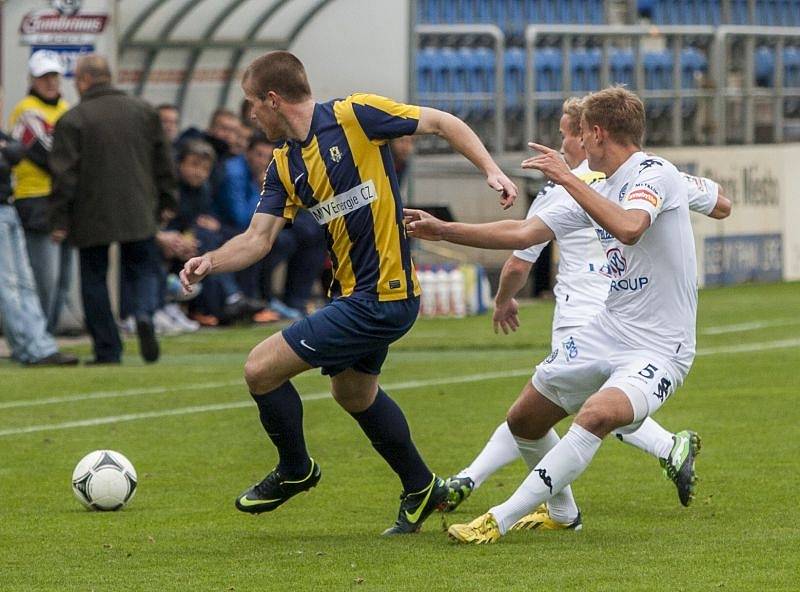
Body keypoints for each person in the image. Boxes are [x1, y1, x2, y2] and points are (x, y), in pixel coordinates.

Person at [180, 50, 518, 535]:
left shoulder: (354, 115)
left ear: (273, 100)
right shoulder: (282, 164)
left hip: (382, 295)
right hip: (355, 297)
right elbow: (258, 239)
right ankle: (422, 486)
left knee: (260, 369)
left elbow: (442, 122)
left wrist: (491, 170)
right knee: (354, 391)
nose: (250, 114)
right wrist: (210, 260)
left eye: (253, 103)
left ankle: (296, 468)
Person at [405, 87, 700, 543]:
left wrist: (568, 179)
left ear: (597, 133)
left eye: (581, 132)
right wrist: (445, 229)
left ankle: (497, 519)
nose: (576, 144)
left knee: (597, 414)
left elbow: (630, 227)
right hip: (608, 329)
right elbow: (523, 232)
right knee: (524, 420)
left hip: (662, 347)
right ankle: (563, 513)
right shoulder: (595, 185)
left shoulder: (653, 172)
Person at [49, 54, 177, 365]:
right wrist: (167, 200)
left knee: (94, 278)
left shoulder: (73, 119)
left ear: (83, 81)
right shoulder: (144, 111)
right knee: (143, 268)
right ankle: (144, 313)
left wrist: (59, 219)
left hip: (91, 212)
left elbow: (64, 176)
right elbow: (164, 160)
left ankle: (108, 349)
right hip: (139, 207)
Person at [0, 93, 78, 367]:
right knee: (10, 284)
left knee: (24, 282)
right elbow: (12, 155)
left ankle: (38, 344)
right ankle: (31, 347)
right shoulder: (27, 111)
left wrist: (7, 150)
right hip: (15, 208)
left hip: (8, 207)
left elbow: (15, 152)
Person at [8, 50, 72, 333]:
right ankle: (38, 336)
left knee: (63, 279)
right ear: (31, 79)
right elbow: (47, 155)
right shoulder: (26, 110)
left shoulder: (65, 109)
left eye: (54, 76)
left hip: (65, 198)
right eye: (44, 77)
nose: (50, 82)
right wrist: (75, 167)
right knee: (45, 276)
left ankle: (50, 333)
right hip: (36, 200)